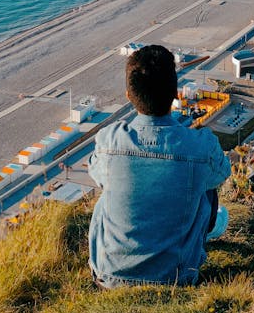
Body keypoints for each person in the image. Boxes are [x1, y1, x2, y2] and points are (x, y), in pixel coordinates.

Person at [88, 44, 231, 289]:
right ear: (176, 93)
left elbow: (96, 173)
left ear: (128, 96)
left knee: (110, 186)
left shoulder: (109, 140)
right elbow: (222, 173)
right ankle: (206, 234)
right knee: (206, 184)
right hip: (176, 277)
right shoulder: (201, 145)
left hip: (109, 276)